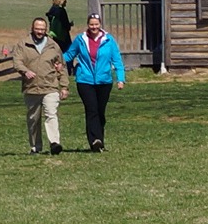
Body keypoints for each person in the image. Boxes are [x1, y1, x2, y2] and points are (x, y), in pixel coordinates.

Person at [67, 11, 125, 151]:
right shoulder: (81, 40)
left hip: (104, 81)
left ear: (100, 25)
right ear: (88, 25)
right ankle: (95, 140)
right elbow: (69, 54)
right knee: (91, 109)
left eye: (96, 24)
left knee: (100, 111)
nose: (94, 27)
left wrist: (120, 79)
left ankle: (100, 142)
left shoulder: (109, 40)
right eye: (91, 24)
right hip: (85, 80)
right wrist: (57, 61)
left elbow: (117, 60)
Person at [12, 16, 67, 156]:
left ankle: (55, 143)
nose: (40, 31)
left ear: (46, 30)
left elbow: (61, 67)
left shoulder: (53, 46)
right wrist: (25, 71)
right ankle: (35, 147)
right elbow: (17, 62)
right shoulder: (23, 45)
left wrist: (64, 86)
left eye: (42, 29)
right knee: (33, 119)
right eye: (37, 29)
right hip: (31, 88)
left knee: (51, 114)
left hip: (50, 86)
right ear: (32, 28)